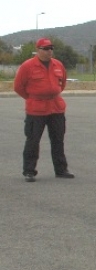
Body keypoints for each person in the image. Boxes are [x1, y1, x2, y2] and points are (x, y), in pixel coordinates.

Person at [14, 37, 74, 182]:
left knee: (58, 140)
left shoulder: (58, 65)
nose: (49, 51)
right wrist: (33, 98)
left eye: (51, 48)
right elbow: (18, 87)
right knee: (33, 141)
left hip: (56, 107)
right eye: (46, 49)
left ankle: (61, 170)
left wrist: (53, 92)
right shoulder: (28, 66)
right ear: (38, 50)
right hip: (36, 109)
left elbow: (62, 83)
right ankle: (29, 171)